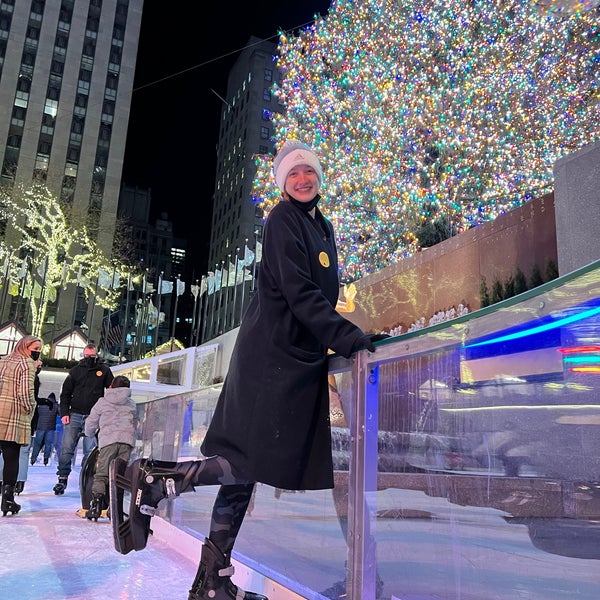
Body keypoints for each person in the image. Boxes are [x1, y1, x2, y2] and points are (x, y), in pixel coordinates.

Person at [110, 140, 383, 600]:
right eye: (292, 174)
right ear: (282, 182)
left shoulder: (323, 227)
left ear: (319, 178)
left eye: (308, 173)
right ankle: (158, 478)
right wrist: (351, 338)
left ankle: (212, 581)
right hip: (271, 360)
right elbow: (300, 294)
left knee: (244, 470)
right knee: (246, 463)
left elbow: (320, 294)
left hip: (292, 360)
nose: (302, 179)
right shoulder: (281, 221)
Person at [53, 342, 114, 495]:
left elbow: (112, 392)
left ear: (96, 355)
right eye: (86, 356)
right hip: (74, 414)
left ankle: (86, 478)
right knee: (67, 448)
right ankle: (62, 478)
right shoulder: (75, 371)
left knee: (90, 450)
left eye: (91, 356)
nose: (88, 358)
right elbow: (65, 394)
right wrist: (64, 413)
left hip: (93, 416)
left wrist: (106, 413)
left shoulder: (104, 371)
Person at [0, 335, 43, 515]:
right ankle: (8, 499)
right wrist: (31, 407)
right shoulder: (26, 364)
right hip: (14, 414)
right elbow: (26, 392)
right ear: (25, 347)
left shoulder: (3, 361)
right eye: (36, 348)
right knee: (11, 456)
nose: (38, 352)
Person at [83, 375, 136, 520]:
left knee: (102, 474)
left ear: (111, 386)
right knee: (119, 475)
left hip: (108, 441)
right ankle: (115, 508)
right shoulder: (131, 403)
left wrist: (88, 433)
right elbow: (135, 423)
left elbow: (91, 422)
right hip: (126, 442)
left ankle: (96, 506)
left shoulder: (102, 401)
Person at [30, 392, 59, 466]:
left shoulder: (41, 405)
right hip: (50, 428)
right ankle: (46, 459)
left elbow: (36, 414)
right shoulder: (55, 406)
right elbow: (60, 413)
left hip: (40, 427)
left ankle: (33, 459)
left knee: (37, 444)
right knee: (48, 444)